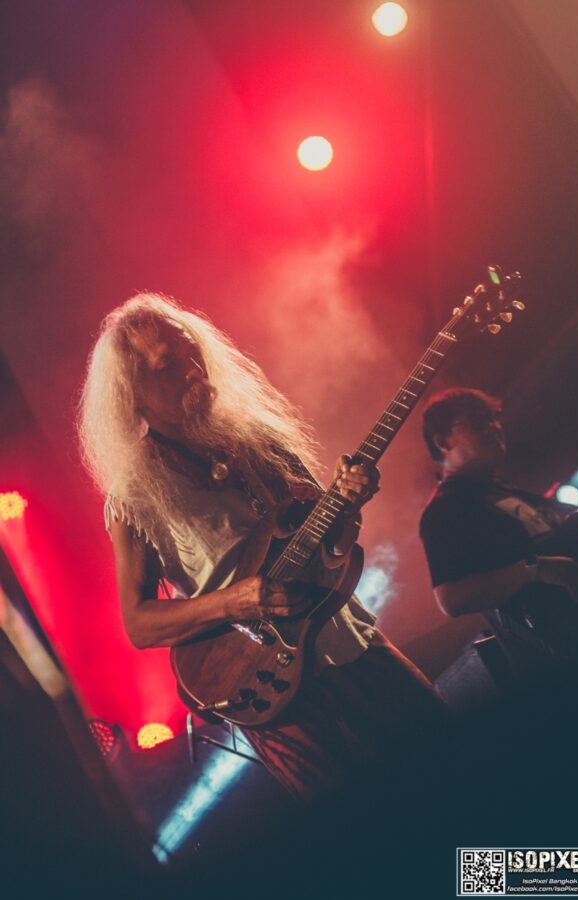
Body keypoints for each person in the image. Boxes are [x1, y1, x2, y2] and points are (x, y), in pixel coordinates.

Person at [78, 291, 445, 800]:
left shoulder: (260, 439)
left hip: (346, 638)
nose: (193, 370)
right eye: (168, 366)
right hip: (263, 686)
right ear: (132, 395)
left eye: (191, 351)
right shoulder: (134, 497)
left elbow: (333, 543)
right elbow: (139, 624)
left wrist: (348, 502)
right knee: (361, 817)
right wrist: (235, 601)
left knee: (454, 754)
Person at [419, 387, 578, 686]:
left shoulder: (499, 492)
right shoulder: (446, 509)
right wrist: (536, 569)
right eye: (477, 421)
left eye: (493, 418)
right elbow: (451, 599)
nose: (493, 427)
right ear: (443, 441)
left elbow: (567, 553)